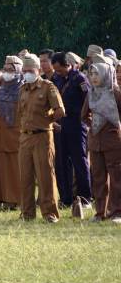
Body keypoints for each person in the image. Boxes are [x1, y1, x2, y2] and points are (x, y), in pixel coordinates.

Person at [17, 53, 65, 222]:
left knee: (45, 176)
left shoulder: (48, 87)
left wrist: (47, 120)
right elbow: (20, 114)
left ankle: (50, 213)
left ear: (38, 70)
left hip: (43, 136)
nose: (27, 73)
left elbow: (60, 111)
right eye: (25, 70)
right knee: (25, 177)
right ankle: (27, 213)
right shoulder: (23, 89)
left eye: (30, 70)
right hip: (25, 138)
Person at [51, 51, 92, 210]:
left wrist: (86, 122)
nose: (57, 73)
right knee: (61, 163)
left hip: (76, 124)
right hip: (60, 126)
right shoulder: (56, 79)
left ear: (67, 65)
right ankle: (66, 198)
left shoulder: (80, 79)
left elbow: (87, 101)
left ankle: (85, 197)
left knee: (79, 161)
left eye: (60, 69)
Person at [82, 59, 121, 223]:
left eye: (96, 73)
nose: (93, 77)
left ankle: (117, 212)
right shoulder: (91, 92)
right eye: (91, 73)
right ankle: (100, 212)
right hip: (95, 142)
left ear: (106, 73)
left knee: (116, 178)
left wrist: (115, 127)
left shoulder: (117, 93)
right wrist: (95, 126)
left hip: (113, 142)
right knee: (98, 178)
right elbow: (84, 115)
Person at [0, 56, 23, 209]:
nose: (7, 73)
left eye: (11, 70)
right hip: (0, 134)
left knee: (14, 168)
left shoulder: (22, 88)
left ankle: (15, 200)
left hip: (14, 135)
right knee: (1, 167)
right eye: (5, 69)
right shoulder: (2, 88)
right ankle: (0, 198)